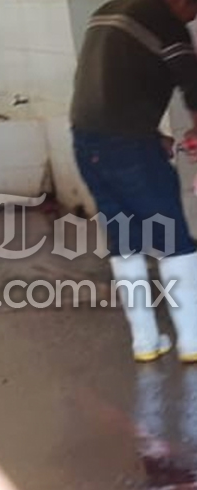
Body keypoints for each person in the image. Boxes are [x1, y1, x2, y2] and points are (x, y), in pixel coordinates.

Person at [71, 0, 197, 362]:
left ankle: (145, 342)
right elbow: (194, 88)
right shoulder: (166, 22)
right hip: (127, 147)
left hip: (86, 141)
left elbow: (106, 87)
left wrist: (149, 135)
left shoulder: (107, 10)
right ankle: (192, 341)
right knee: (173, 239)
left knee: (125, 241)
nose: (193, 17)